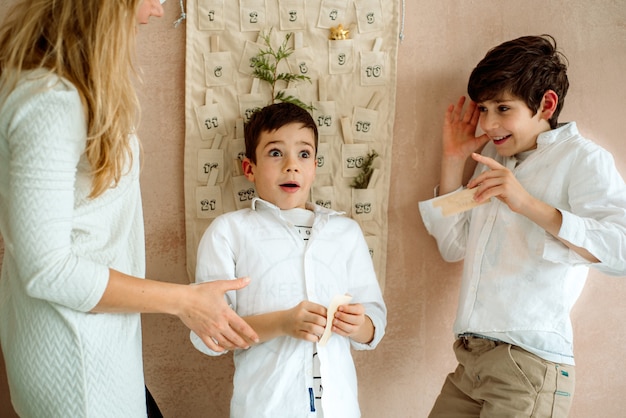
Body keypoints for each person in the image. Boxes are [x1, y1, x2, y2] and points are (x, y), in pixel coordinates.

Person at [0, 1, 259, 416]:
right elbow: (46, 269)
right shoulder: (50, 101)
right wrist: (185, 302)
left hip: (96, 346)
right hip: (76, 365)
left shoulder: (64, 88)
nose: (157, 9)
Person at [419, 34, 626, 417]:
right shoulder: (494, 159)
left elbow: (621, 251)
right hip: (470, 363)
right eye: (483, 109)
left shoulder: (583, 160)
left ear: (546, 104)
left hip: (528, 365)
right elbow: (453, 247)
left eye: (502, 108)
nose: (489, 123)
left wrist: (528, 204)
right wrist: (453, 160)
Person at [190, 102, 387, 417]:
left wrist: (357, 325)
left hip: (340, 408)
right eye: (275, 153)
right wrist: (282, 323)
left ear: (315, 166)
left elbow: (375, 325)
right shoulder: (228, 232)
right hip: (266, 407)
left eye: (304, 154)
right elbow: (209, 333)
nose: (292, 165)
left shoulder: (346, 233)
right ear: (249, 168)